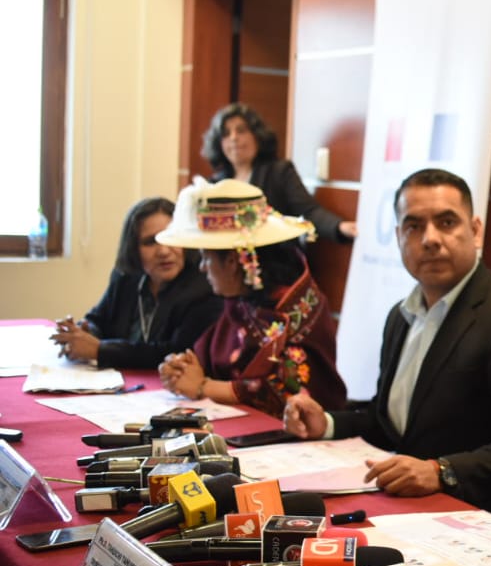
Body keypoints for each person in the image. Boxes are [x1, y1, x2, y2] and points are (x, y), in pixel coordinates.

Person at [284, 168, 491, 523]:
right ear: (398, 237)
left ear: (475, 231)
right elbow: (388, 422)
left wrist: (441, 471)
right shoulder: (400, 316)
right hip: (405, 508)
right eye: (414, 226)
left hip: (478, 517)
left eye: (446, 222)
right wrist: (325, 424)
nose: (430, 239)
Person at [156, 179, 346, 419]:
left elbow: (286, 394)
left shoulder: (297, 308)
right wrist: (182, 369)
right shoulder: (243, 299)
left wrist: (203, 387)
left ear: (232, 262)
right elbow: (213, 356)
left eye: (206, 258)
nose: (202, 268)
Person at [50, 197, 221, 368]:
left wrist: (100, 350)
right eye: (150, 242)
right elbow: (98, 319)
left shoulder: (203, 286)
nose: (163, 251)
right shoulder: (126, 276)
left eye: (171, 238)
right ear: (133, 248)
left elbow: (176, 352)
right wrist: (83, 333)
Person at [203, 103, 356, 242]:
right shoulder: (214, 185)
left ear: (257, 135)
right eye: (226, 133)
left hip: (273, 260)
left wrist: (339, 226)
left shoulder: (280, 172)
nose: (233, 138)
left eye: (241, 130)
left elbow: (309, 211)